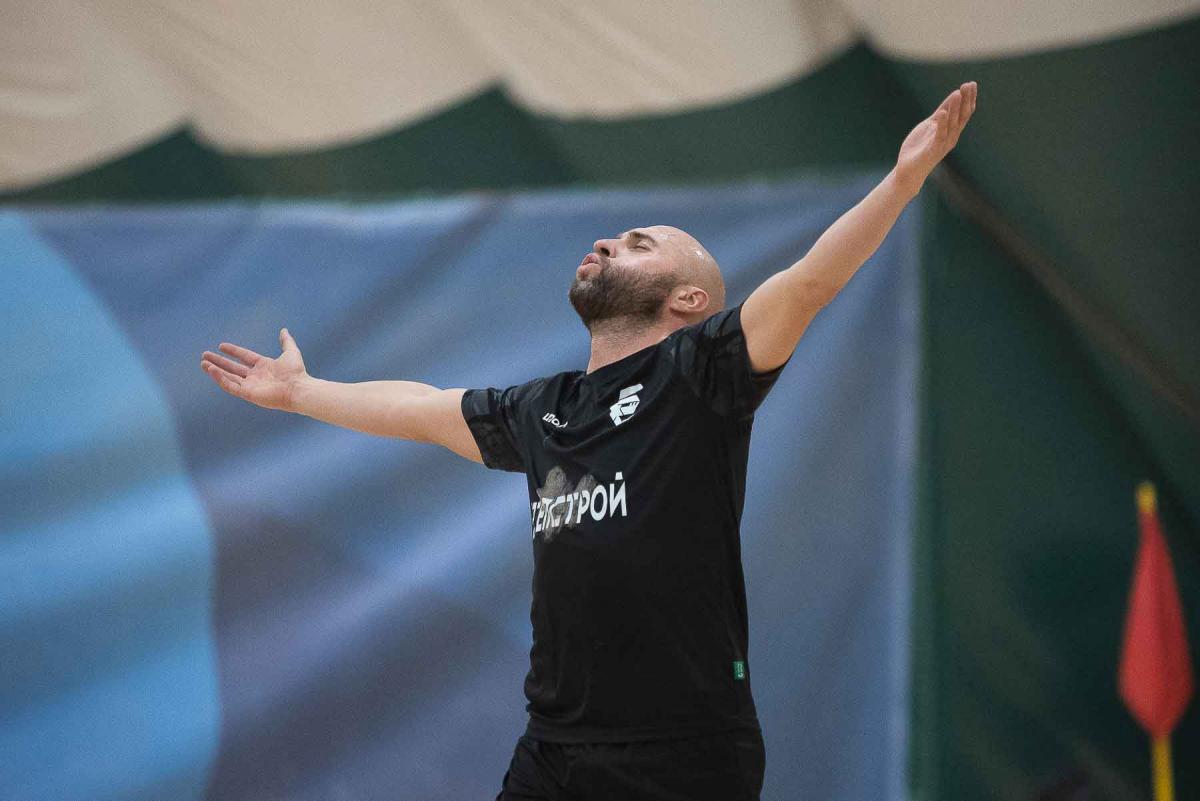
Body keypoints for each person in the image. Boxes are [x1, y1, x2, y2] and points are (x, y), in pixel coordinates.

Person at [201, 82, 977, 801]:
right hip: (554, 750)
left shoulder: (700, 373)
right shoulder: (546, 409)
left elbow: (809, 282)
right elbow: (421, 407)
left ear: (689, 297)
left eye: (637, 243)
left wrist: (902, 181)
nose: (607, 242)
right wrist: (301, 392)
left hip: (682, 752)